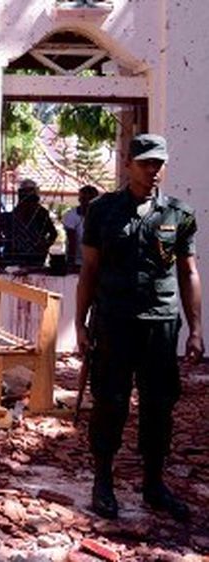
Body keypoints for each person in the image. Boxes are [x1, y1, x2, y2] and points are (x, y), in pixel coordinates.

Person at [76, 133, 203, 521]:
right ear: (127, 164)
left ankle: (153, 484)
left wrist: (196, 329)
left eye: (158, 163)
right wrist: (79, 325)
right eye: (145, 162)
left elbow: (189, 274)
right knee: (110, 402)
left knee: (159, 406)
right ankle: (103, 482)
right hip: (114, 322)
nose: (153, 170)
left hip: (160, 324)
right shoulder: (102, 211)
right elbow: (90, 271)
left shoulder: (179, 214)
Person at [3, 179, 58, 268]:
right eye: (24, 193)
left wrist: (44, 246)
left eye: (30, 193)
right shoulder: (14, 214)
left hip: (35, 257)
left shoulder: (41, 212)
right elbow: (5, 233)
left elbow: (53, 233)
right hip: (14, 256)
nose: (27, 197)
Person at [62, 185, 101, 270]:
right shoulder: (71, 216)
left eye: (90, 199)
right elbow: (72, 241)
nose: (87, 202)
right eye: (84, 199)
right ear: (80, 200)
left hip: (97, 261)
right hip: (77, 261)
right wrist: (70, 262)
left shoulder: (102, 216)